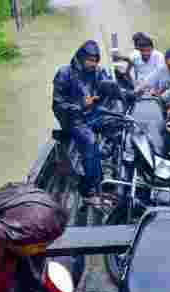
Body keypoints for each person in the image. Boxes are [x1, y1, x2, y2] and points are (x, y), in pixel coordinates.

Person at [52, 40, 112, 203]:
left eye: (95, 60)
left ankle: (104, 160)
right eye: (90, 60)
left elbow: (108, 88)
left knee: (118, 126)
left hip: (93, 114)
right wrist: (80, 105)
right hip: (73, 118)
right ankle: (88, 190)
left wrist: (112, 92)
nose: (93, 64)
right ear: (80, 58)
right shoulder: (64, 74)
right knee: (90, 141)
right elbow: (57, 105)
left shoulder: (98, 72)